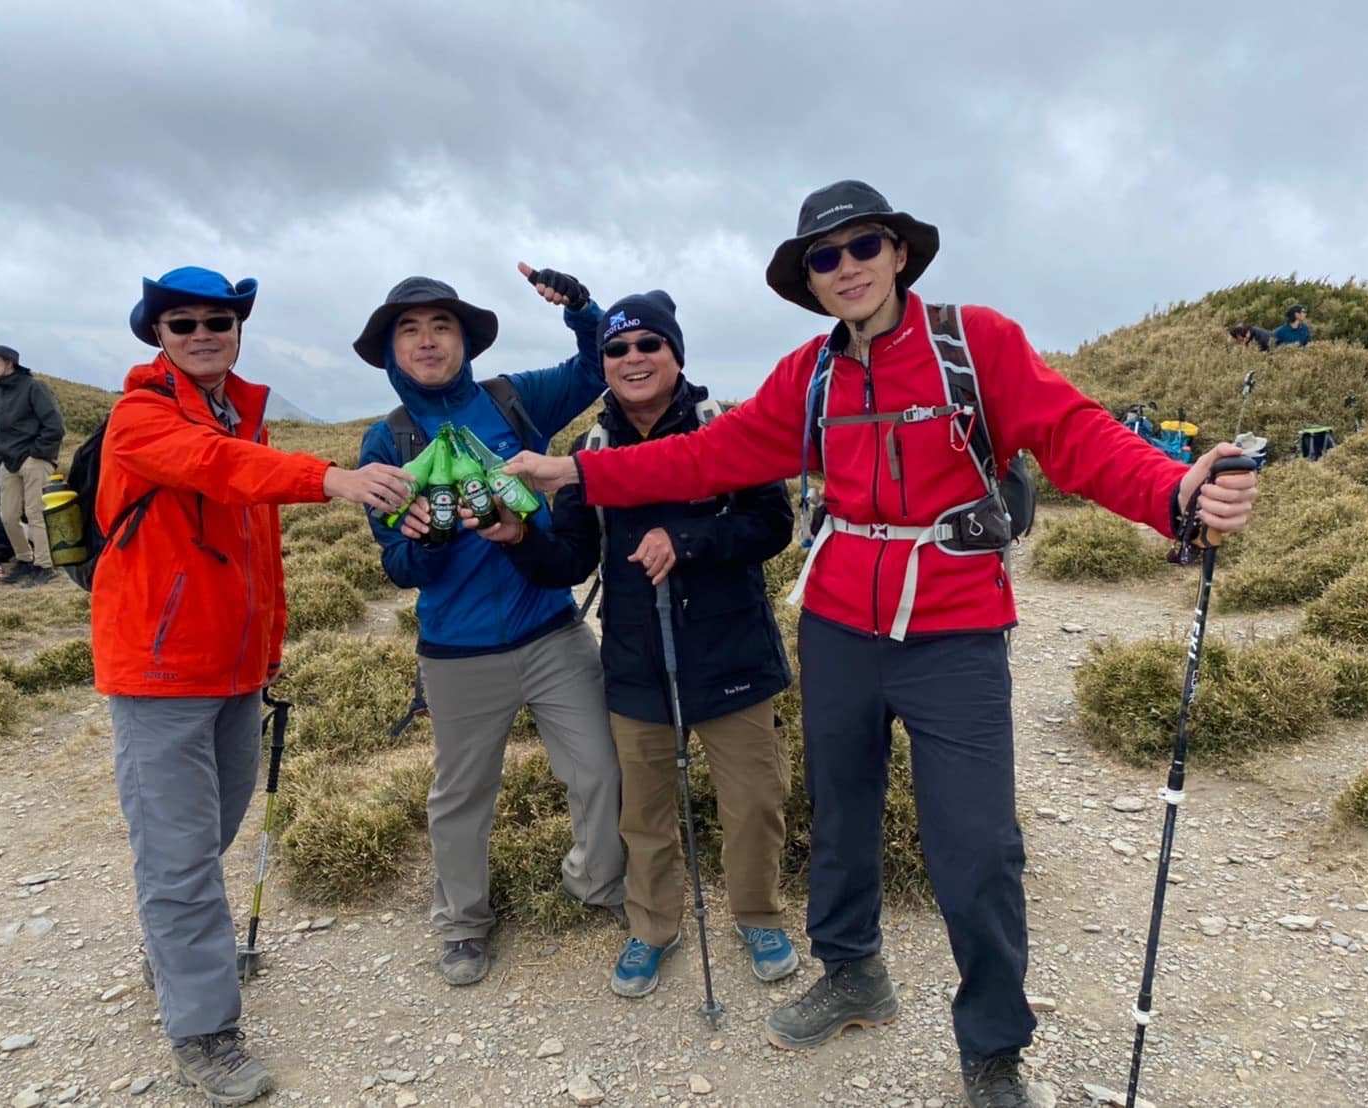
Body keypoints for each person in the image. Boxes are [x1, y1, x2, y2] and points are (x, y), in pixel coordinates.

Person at [504, 180, 1259, 1107]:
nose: (847, 267)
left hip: (956, 628)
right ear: (810, 280)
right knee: (842, 818)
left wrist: (1173, 492)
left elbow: (1075, 435)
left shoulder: (974, 342)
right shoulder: (807, 376)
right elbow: (707, 454)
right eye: (824, 257)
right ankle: (853, 972)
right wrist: (579, 471)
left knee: (977, 847)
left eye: (864, 246)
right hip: (837, 626)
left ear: (900, 253)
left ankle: (993, 1048)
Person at [95, 266, 413, 1106]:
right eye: (183, 323)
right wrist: (330, 477)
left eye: (218, 321)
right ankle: (203, 1031)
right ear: (157, 334)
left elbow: (255, 546)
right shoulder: (140, 416)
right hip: (160, 671)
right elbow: (216, 467)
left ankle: (177, 955)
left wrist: (268, 649)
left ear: (238, 329)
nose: (203, 334)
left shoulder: (241, 412)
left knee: (212, 831)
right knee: (179, 856)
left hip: (235, 670)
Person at [469, 290, 799, 997]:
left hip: (733, 653)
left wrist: (687, 539)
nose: (633, 358)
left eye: (650, 344)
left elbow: (773, 525)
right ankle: (652, 927)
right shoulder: (588, 451)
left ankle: (758, 915)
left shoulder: (725, 428)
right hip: (637, 662)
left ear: (676, 354)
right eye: (616, 349)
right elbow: (570, 560)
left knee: (754, 803)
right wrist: (520, 538)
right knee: (642, 814)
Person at [357, 264, 626, 987]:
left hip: (552, 630)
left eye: (441, 326)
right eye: (410, 330)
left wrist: (581, 307)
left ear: (465, 340)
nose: (427, 341)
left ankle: (597, 883)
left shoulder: (513, 399)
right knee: (462, 795)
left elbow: (598, 365)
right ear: (391, 350)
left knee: (599, 767)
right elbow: (397, 566)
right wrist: (426, 541)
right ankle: (462, 923)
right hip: (458, 651)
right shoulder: (386, 443)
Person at [0, 343, 65, 586]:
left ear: (9, 363)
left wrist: (37, 453)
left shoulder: (34, 387)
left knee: (36, 513)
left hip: (35, 459)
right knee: (7, 515)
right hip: (9, 460)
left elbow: (55, 426)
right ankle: (25, 559)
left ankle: (44, 565)